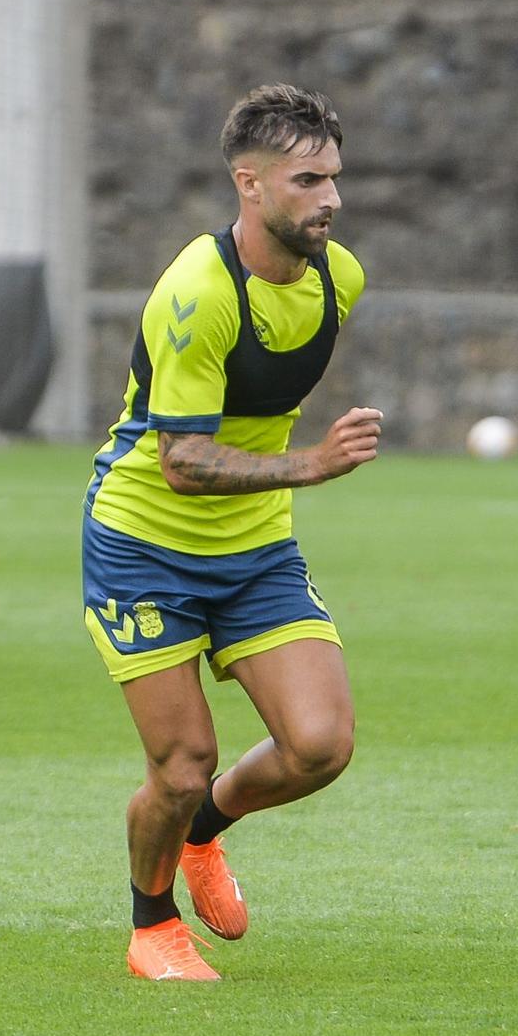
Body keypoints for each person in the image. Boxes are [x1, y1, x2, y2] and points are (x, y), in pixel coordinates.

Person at [81, 84, 382, 982]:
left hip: (252, 549)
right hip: (144, 544)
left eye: (333, 177)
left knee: (320, 745)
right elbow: (181, 460)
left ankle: (205, 833)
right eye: (306, 180)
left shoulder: (341, 278)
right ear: (249, 185)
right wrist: (312, 466)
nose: (328, 197)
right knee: (179, 765)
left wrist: (290, 477)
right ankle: (151, 928)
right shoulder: (196, 294)